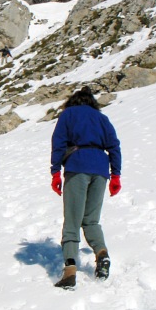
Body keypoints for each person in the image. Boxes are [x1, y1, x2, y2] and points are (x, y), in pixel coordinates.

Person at [49, 86, 122, 289]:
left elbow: (59, 142)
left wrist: (55, 171)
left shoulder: (69, 115)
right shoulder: (102, 119)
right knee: (91, 220)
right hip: (100, 170)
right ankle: (101, 253)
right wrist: (116, 175)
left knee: (72, 220)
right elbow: (114, 146)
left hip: (77, 166)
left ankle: (70, 271)